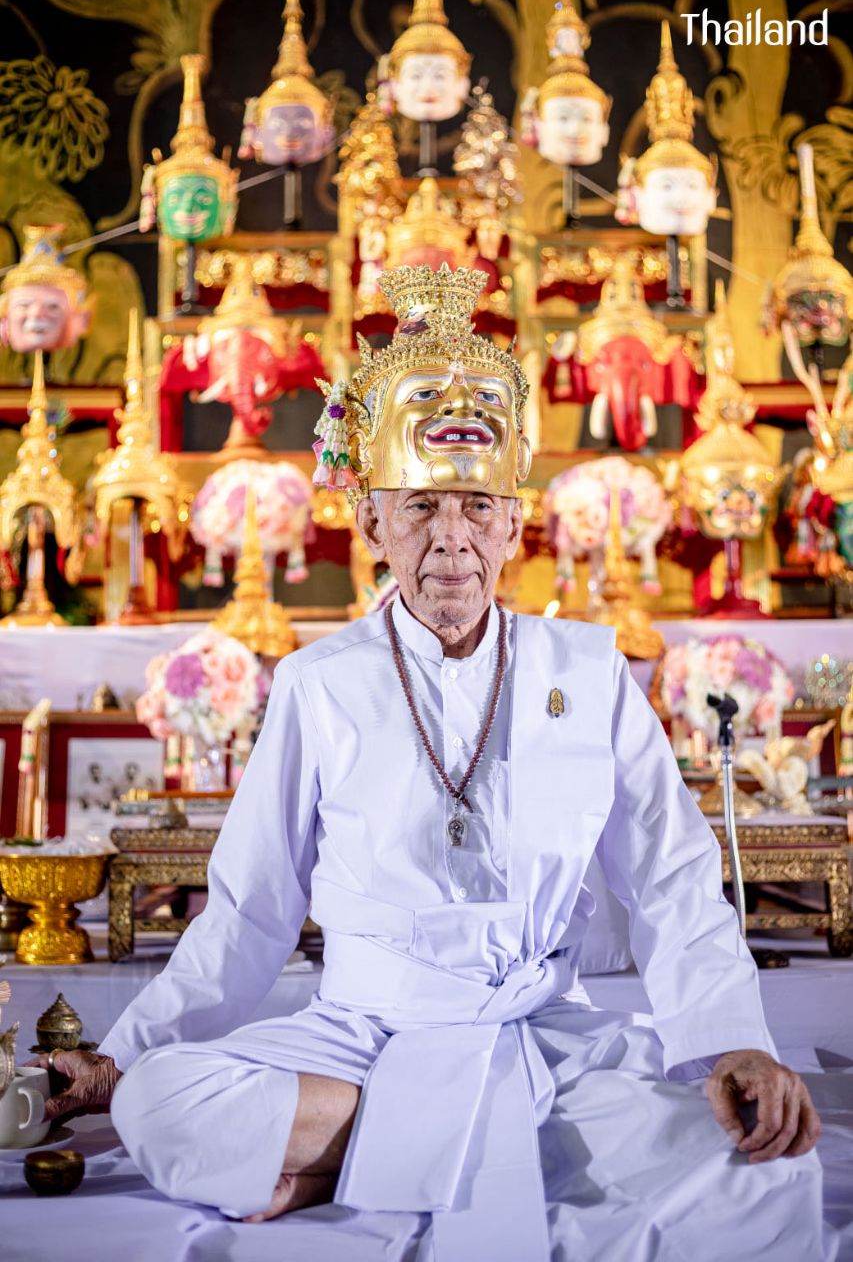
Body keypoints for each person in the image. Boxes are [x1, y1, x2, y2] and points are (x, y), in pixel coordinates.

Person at [34, 265, 830, 1261]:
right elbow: (249, 911)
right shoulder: (321, 683)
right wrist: (118, 1060)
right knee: (163, 1100)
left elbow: (671, 877)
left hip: (539, 1038)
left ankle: (343, 1155)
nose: (448, 540)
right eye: (417, 508)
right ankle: (477, 1145)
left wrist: (731, 1042)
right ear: (368, 520)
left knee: (771, 1173)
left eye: (472, 508)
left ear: (513, 522)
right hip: (361, 1034)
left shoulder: (587, 670)